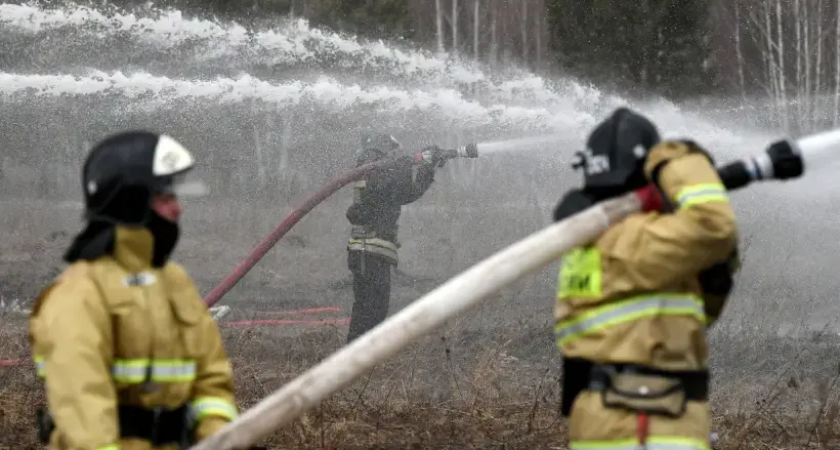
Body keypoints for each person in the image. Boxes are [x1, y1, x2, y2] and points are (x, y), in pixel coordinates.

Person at [29, 131, 242, 450]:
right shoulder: (77, 295)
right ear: (129, 203)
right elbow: (85, 420)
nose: (178, 209)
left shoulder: (174, 282)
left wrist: (216, 434)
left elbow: (211, 380)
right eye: (166, 198)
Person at [552, 108, 740, 450]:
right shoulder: (632, 239)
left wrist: (712, 271)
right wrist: (675, 159)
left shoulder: (592, 245)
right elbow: (715, 226)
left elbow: (695, 317)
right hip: (647, 422)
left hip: (613, 422)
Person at [344, 133, 449, 343]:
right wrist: (405, 164)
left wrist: (427, 168)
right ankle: (354, 361)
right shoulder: (370, 167)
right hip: (367, 250)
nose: (397, 156)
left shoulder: (378, 171)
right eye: (394, 152)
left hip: (374, 252)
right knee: (368, 312)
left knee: (376, 311)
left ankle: (362, 361)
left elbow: (406, 193)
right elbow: (386, 188)